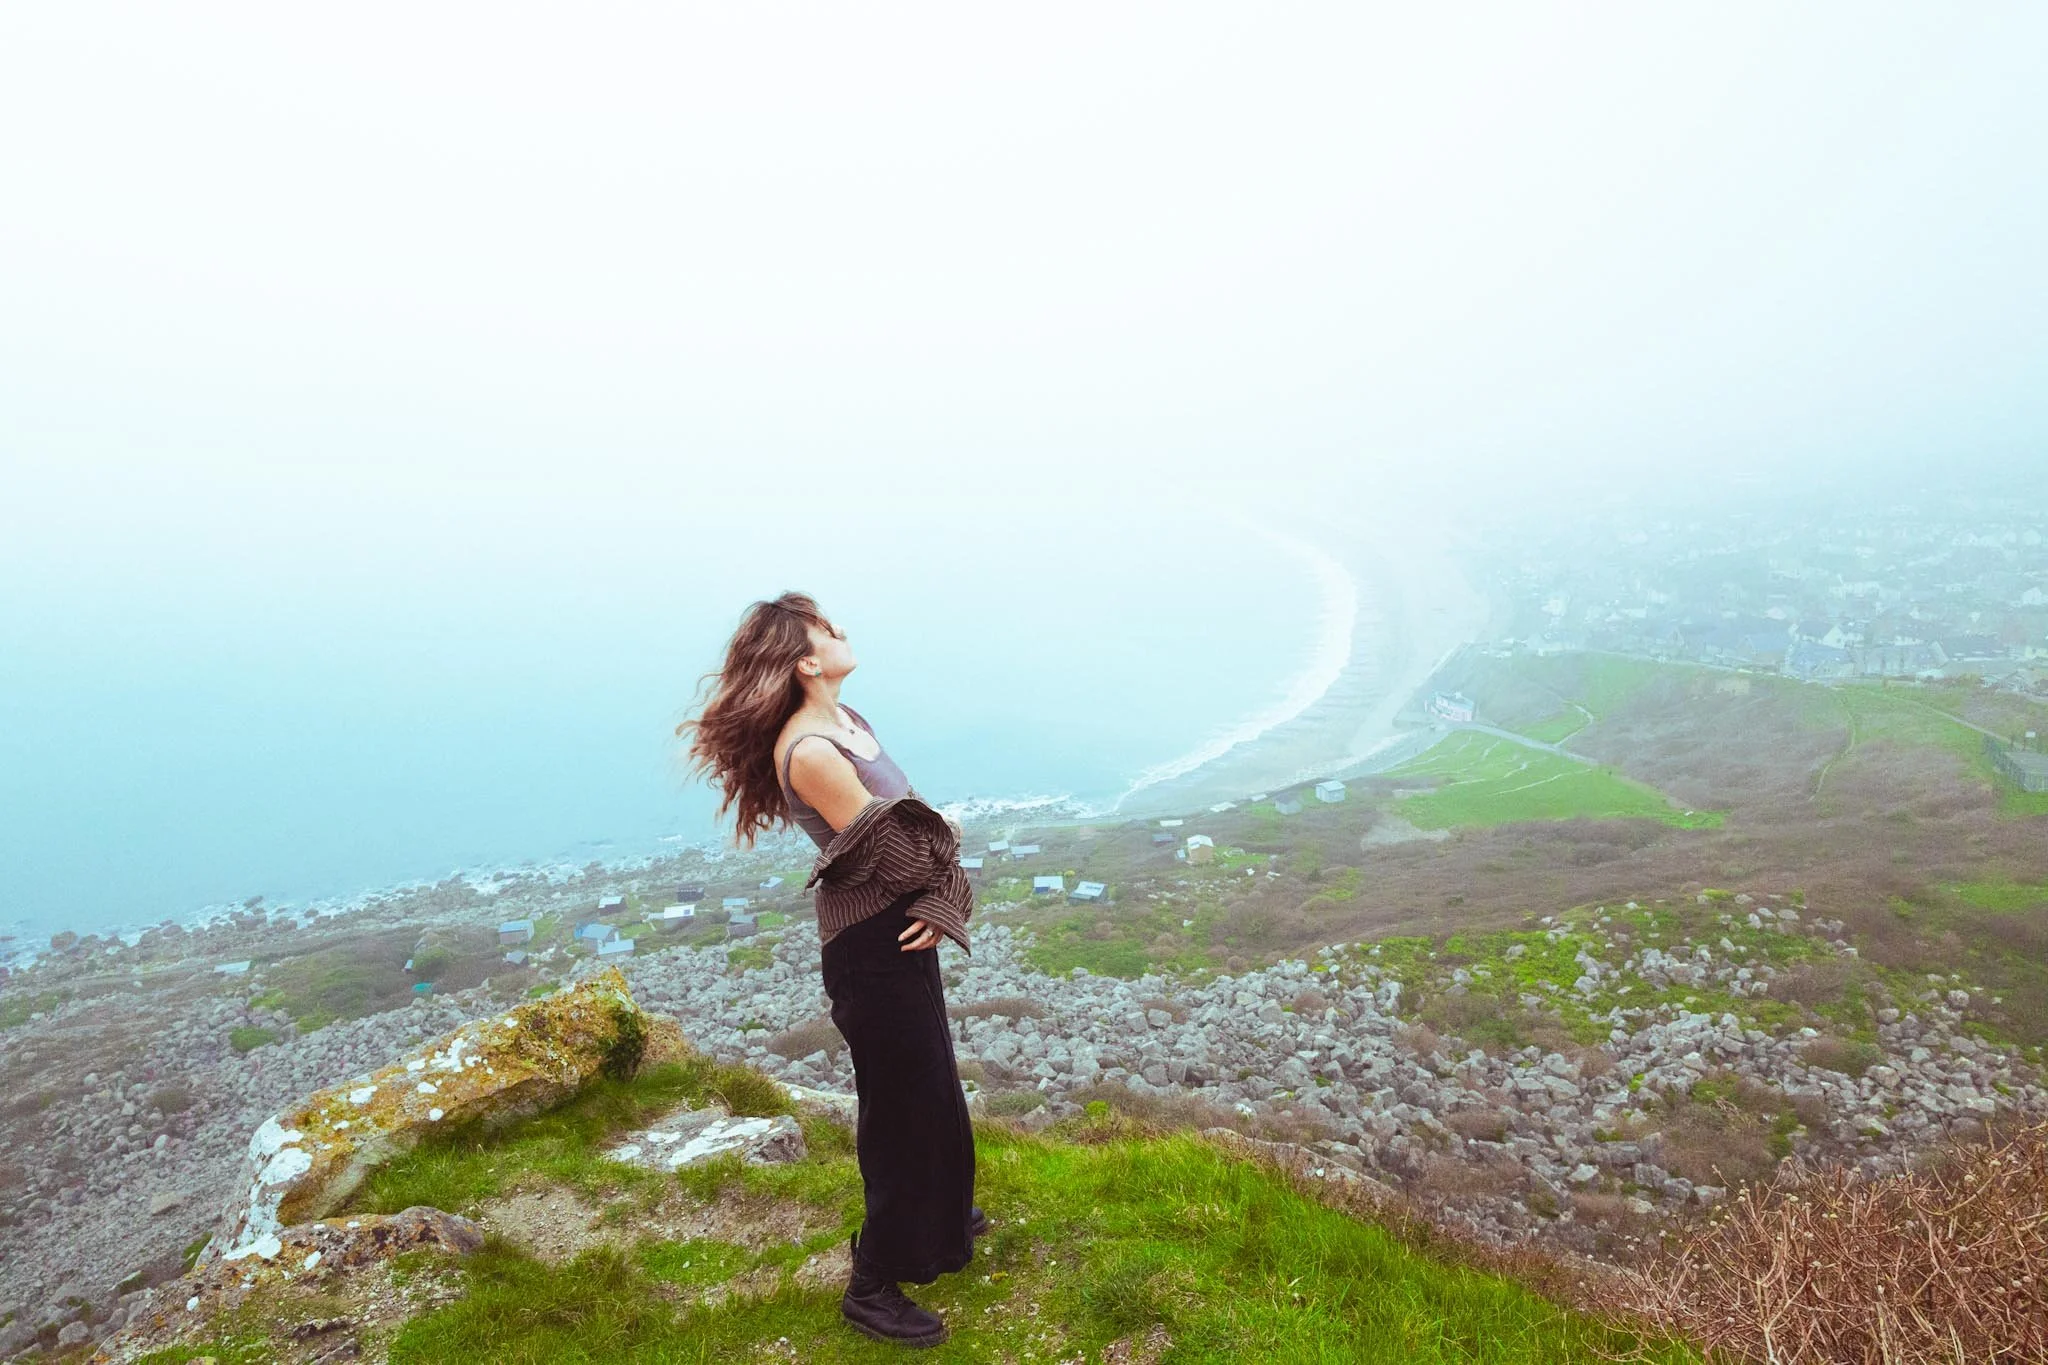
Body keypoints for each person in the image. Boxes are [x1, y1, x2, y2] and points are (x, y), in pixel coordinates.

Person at [677, 592, 985, 1349]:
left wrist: (938, 866)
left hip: (901, 931)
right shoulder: (811, 751)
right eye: (829, 629)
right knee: (900, 1110)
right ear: (807, 662)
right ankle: (872, 1280)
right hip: (869, 949)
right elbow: (906, 849)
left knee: (936, 1084)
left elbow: (908, 825)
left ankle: (944, 1221)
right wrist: (950, 854)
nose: (845, 631)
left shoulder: (851, 724)